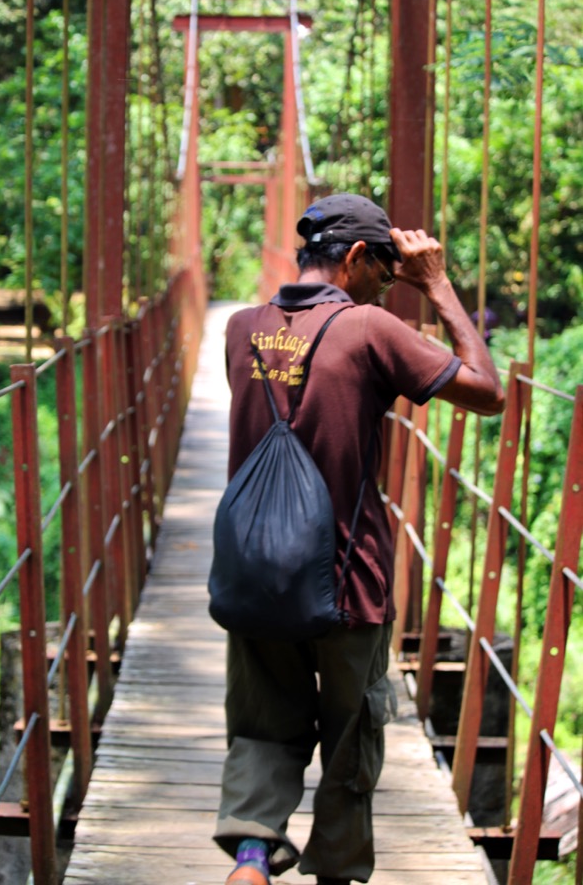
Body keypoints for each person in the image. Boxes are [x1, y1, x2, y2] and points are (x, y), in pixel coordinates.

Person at [214, 193, 504, 885]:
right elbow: (488, 392)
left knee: (261, 724)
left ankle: (251, 860)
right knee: (351, 738)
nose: (386, 286)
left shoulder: (240, 328)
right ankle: (336, 872)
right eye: (383, 271)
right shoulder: (370, 329)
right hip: (349, 580)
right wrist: (437, 285)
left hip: (253, 573)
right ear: (352, 258)